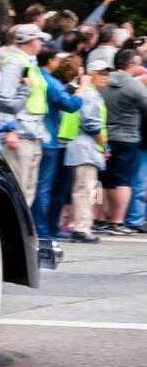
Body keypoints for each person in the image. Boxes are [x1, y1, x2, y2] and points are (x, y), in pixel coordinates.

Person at [31, 47, 83, 238]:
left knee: (37, 187)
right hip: (49, 139)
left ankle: (43, 227)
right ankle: (43, 230)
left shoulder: (37, 77)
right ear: (51, 61)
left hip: (40, 136)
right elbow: (69, 105)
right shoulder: (50, 82)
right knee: (44, 188)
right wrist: (81, 92)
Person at [0, 24, 51, 206]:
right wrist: (9, 130)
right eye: (39, 39)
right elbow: (5, 97)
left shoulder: (30, 63)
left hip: (33, 133)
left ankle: (21, 231)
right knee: (18, 187)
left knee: (28, 188)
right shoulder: (15, 62)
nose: (41, 43)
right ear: (30, 40)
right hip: (20, 134)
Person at [99, 48, 147, 234]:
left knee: (106, 181)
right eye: (138, 63)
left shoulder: (105, 81)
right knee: (124, 181)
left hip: (105, 137)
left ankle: (103, 218)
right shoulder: (134, 86)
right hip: (128, 137)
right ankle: (118, 222)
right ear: (131, 65)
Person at [64, 60, 111, 243]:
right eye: (101, 73)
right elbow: (92, 125)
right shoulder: (91, 95)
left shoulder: (92, 94)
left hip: (87, 148)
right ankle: (82, 229)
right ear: (90, 74)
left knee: (87, 190)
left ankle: (82, 226)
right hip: (86, 147)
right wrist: (105, 146)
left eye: (107, 74)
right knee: (84, 190)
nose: (105, 77)